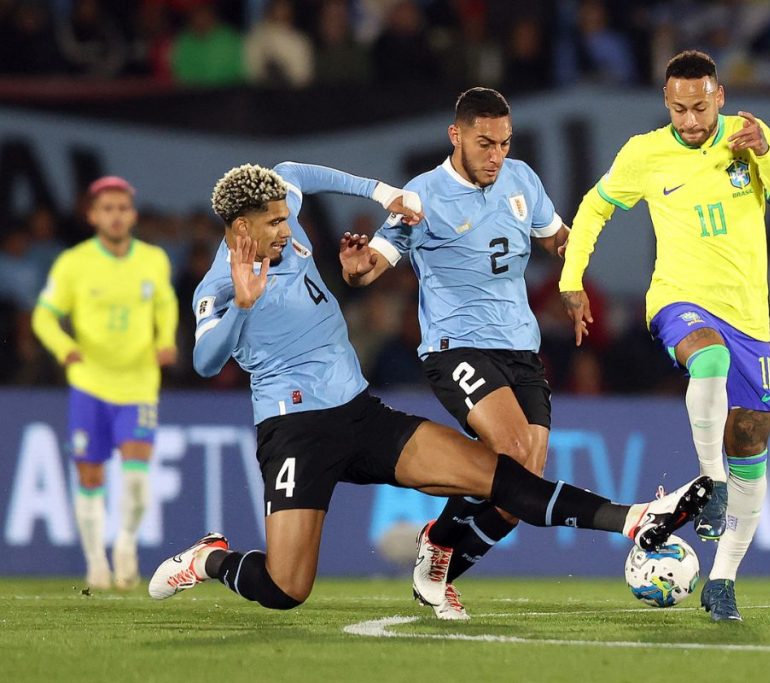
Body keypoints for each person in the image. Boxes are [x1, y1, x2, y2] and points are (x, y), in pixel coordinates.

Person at [148, 162, 711, 611]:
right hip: (295, 432)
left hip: (360, 415)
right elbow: (204, 361)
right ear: (241, 229)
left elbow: (296, 171)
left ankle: (633, 518)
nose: (287, 228)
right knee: (285, 588)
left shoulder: (282, 209)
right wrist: (244, 306)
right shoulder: (218, 288)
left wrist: (382, 192)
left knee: (501, 478)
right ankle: (209, 559)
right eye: (274, 223)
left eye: (285, 217)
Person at [559, 50, 770, 622]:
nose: (690, 121)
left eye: (700, 107)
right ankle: (711, 482)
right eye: (679, 109)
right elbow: (594, 209)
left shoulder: (750, 135)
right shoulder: (644, 153)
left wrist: (765, 157)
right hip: (679, 299)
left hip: (748, 316)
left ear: (719, 97)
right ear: (666, 102)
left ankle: (722, 580)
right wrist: (572, 280)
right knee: (708, 359)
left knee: (751, 441)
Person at [339, 87, 570, 621]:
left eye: (504, 144)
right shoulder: (422, 195)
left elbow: (558, 238)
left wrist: (576, 273)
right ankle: (439, 547)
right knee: (512, 451)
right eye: (485, 143)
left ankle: (438, 560)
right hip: (457, 345)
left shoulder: (522, 179)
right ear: (456, 135)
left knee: (519, 494)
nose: (496, 156)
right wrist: (356, 268)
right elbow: (374, 263)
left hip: (520, 346)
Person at [32, 176, 179, 590]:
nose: (115, 216)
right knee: (90, 476)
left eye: (122, 208)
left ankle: (126, 543)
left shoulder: (153, 259)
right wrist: (64, 347)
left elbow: (166, 304)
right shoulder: (73, 263)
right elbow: (43, 315)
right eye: (107, 209)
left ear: (133, 215)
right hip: (90, 383)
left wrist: (166, 341)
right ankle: (96, 560)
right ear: (93, 216)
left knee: (136, 479)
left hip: (138, 383)